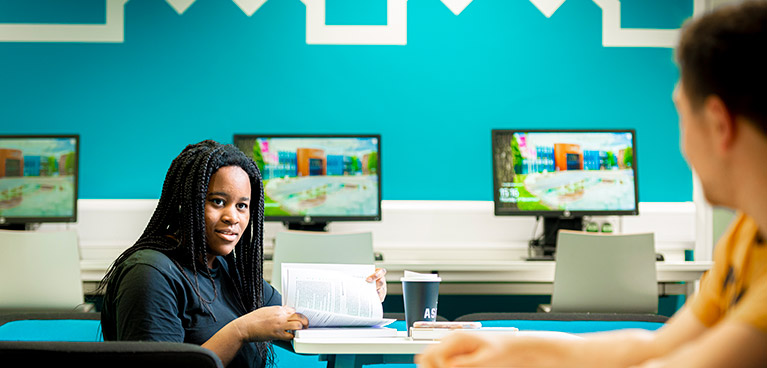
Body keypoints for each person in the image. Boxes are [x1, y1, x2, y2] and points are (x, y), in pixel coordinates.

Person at [416, 1, 767, 367]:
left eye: (680, 113)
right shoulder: (746, 237)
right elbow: (657, 346)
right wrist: (513, 350)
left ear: (718, 125)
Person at [100, 140, 388, 368]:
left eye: (242, 206)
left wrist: (364, 297)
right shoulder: (150, 273)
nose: (232, 217)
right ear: (185, 202)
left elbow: (303, 316)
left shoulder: (228, 269)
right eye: (217, 202)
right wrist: (240, 331)